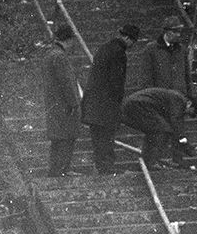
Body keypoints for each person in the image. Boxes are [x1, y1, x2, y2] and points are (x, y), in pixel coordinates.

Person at [139, 14, 197, 166]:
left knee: (179, 130)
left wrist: (191, 96)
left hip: (178, 97)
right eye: (176, 32)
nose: (179, 35)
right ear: (167, 32)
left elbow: (186, 75)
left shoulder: (182, 50)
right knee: (158, 129)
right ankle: (152, 160)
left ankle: (177, 161)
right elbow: (146, 75)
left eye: (180, 32)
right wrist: (150, 96)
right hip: (160, 97)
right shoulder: (151, 49)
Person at [81, 24, 140, 176]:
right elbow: (116, 81)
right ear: (127, 38)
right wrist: (117, 102)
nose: (132, 46)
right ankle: (107, 167)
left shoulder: (104, 48)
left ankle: (102, 166)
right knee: (106, 136)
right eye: (133, 41)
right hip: (106, 103)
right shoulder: (119, 52)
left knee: (98, 137)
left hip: (94, 101)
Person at [121, 88, 196, 171]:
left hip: (136, 105)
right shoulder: (179, 100)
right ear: (189, 103)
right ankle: (151, 162)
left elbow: (175, 127)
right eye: (188, 112)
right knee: (162, 130)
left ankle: (149, 161)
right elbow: (175, 123)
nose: (185, 114)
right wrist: (184, 142)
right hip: (139, 104)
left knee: (156, 131)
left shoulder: (175, 99)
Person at [42, 24, 81, 178]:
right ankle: (62, 170)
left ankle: (56, 170)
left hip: (54, 104)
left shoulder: (50, 54)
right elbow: (66, 82)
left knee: (58, 139)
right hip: (64, 106)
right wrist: (74, 103)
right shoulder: (59, 56)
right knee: (66, 137)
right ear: (69, 40)